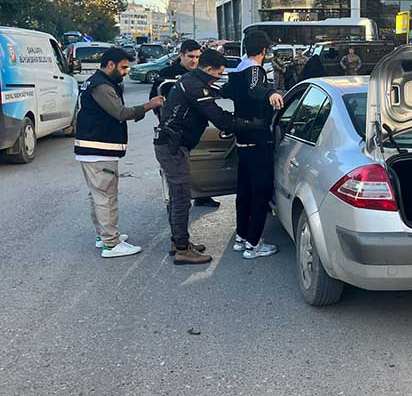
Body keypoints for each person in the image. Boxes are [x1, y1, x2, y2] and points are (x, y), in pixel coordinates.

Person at [154, 49, 268, 265]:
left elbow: (218, 95)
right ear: (208, 69)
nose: (218, 78)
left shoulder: (191, 80)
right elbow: (220, 119)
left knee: (178, 197)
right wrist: (251, 124)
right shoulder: (195, 86)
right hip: (172, 147)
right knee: (181, 198)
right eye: (218, 74)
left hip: (172, 144)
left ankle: (179, 242)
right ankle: (182, 249)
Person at [75, 48, 164, 258]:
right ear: (110, 65)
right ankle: (111, 244)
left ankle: (104, 236)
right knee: (106, 197)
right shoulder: (102, 86)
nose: (126, 72)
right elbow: (120, 113)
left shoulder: (95, 82)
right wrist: (149, 105)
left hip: (93, 149)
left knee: (98, 195)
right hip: (99, 149)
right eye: (123, 67)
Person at [220, 31, 284, 259]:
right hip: (258, 139)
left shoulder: (237, 71)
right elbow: (255, 88)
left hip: (242, 139)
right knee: (260, 191)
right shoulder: (255, 70)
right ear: (264, 50)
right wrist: (271, 92)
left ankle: (242, 236)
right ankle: (254, 244)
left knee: (244, 191)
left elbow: (227, 91)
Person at [149, 40, 220, 209]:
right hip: (173, 130)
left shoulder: (201, 73)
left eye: (197, 57)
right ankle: (175, 200)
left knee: (199, 162)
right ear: (181, 55)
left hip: (195, 127)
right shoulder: (167, 73)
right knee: (175, 170)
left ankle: (201, 195)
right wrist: (164, 118)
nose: (194, 61)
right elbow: (155, 98)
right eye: (190, 56)